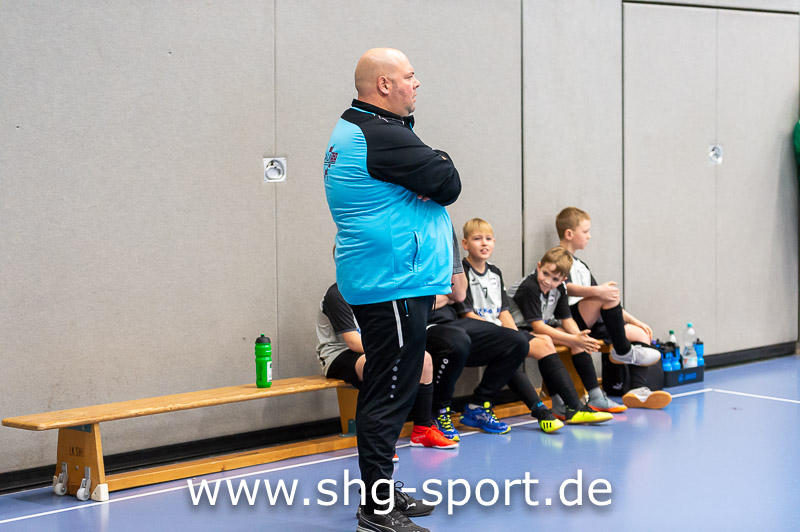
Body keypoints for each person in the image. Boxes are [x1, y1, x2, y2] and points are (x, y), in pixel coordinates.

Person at [324, 48, 461, 532]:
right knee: (389, 390)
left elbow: (435, 177)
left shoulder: (366, 130)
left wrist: (431, 166)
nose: (416, 83)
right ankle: (377, 509)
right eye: (409, 75)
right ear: (383, 85)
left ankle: (382, 490)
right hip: (392, 281)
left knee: (391, 386)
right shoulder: (379, 135)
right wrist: (439, 161)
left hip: (390, 278)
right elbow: (448, 182)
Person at [457, 218, 610, 427]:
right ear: (465, 244)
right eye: (477, 239)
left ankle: (574, 408)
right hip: (475, 333)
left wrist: (513, 335)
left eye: (488, 239)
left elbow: (503, 312)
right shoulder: (462, 272)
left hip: (499, 331)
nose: (484, 243)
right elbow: (467, 315)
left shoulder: (495, 272)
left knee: (543, 343)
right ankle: (541, 411)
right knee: (512, 347)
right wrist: (510, 337)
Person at [556, 207, 671, 409]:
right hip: (569, 319)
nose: (589, 236)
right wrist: (598, 291)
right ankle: (623, 350)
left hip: (591, 320)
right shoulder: (557, 258)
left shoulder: (581, 265)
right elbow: (565, 287)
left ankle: (637, 389)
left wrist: (635, 321)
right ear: (569, 234)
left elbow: (608, 301)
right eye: (585, 231)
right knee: (605, 293)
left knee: (640, 333)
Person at [509, 246, 621, 421]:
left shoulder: (560, 288)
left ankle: (595, 395)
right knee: (548, 341)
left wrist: (581, 338)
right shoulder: (529, 287)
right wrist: (574, 339)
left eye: (555, 279)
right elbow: (538, 327)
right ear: (539, 266)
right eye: (545, 274)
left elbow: (567, 319)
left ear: (563, 279)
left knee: (575, 339)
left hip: (539, 327)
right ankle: (559, 403)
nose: (548, 281)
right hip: (516, 330)